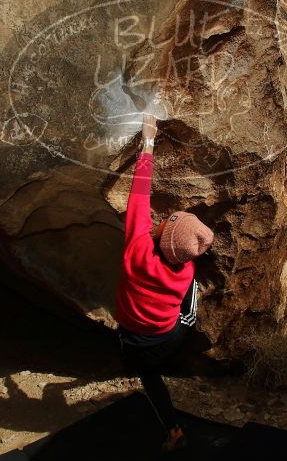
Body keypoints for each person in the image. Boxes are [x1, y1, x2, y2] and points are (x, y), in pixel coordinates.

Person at [114, 112, 214, 453]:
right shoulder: (184, 270)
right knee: (191, 297)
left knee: (146, 372)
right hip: (170, 330)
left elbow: (138, 197)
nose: (159, 221)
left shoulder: (137, 250)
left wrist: (148, 143)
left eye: (165, 223)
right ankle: (170, 351)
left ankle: (172, 430)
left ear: (160, 236)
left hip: (140, 338)